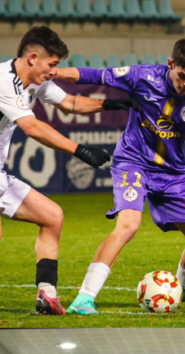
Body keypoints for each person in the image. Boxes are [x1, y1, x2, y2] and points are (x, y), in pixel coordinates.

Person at [56, 38, 185, 316]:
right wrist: (55, 72)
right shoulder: (143, 76)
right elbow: (94, 75)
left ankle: (184, 290)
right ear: (170, 64)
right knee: (128, 226)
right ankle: (84, 297)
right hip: (133, 162)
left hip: (174, 173)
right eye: (183, 76)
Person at [0, 26, 114, 315]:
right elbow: (32, 127)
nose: (54, 71)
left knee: (52, 217)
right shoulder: (4, 80)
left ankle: (47, 294)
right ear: (33, 58)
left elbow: (70, 103)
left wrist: (113, 104)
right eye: (51, 64)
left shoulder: (35, 81)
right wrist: (80, 150)